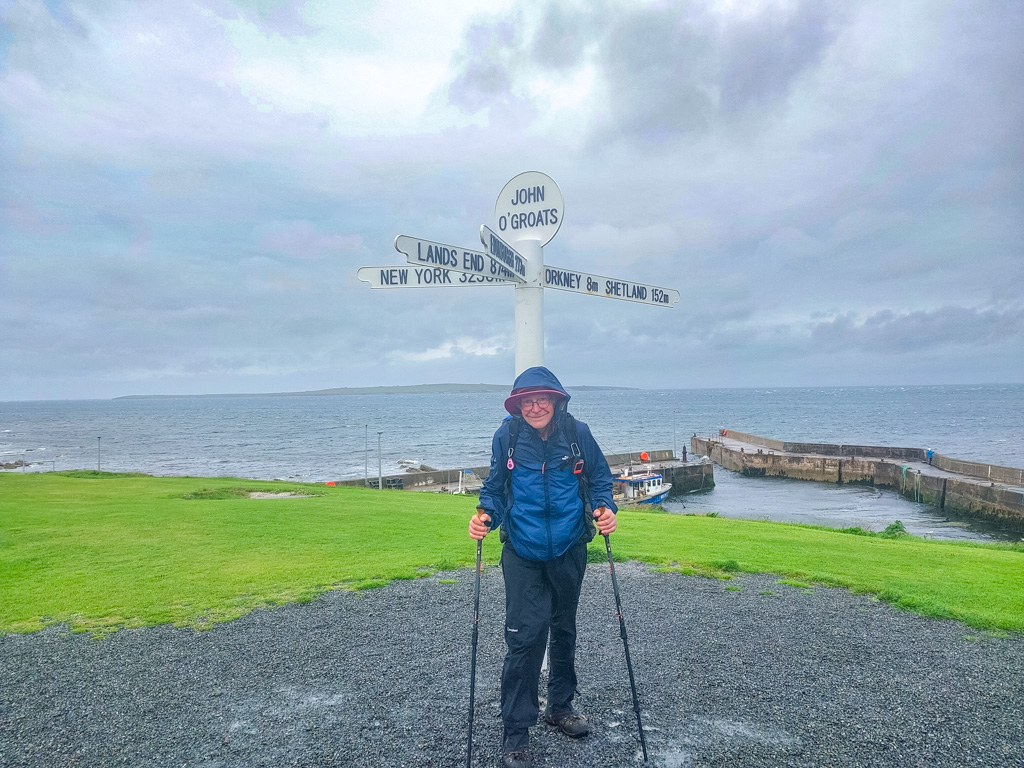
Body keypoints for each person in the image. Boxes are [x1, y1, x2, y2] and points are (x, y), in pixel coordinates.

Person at [468, 366, 618, 768]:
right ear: (519, 405)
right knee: (524, 637)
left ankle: (560, 706)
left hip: (569, 547)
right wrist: (484, 515)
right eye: (527, 401)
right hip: (522, 550)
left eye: (542, 399)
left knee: (564, 627)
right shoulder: (509, 436)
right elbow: (496, 488)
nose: (535, 407)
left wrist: (605, 508)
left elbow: (601, 479)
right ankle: (516, 732)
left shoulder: (577, 433)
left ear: (556, 399)